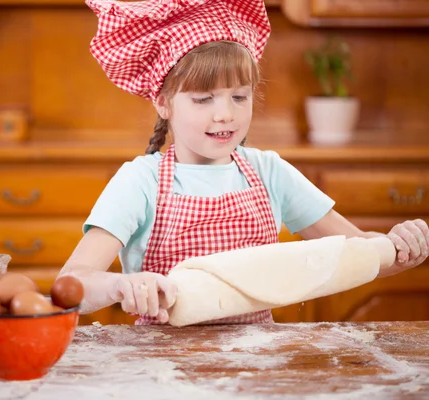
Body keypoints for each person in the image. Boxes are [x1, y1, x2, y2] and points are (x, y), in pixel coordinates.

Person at [58, 0, 429, 325]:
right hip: (162, 363)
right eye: (204, 99)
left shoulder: (269, 171)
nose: (225, 115)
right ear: (164, 102)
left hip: (257, 359)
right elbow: (73, 283)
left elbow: (360, 251)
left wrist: (402, 247)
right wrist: (120, 285)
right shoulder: (141, 181)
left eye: (239, 96)